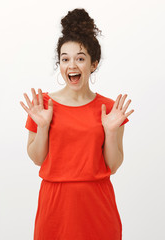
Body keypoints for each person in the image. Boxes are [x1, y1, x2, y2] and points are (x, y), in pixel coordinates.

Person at [19, 8, 135, 239]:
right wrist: (42, 126)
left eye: (80, 58)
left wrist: (110, 132)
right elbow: (37, 158)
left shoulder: (111, 109)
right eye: (65, 59)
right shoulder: (42, 105)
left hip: (96, 205)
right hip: (56, 205)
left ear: (93, 64)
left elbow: (113, 165)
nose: (72, 65)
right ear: (59, 64)